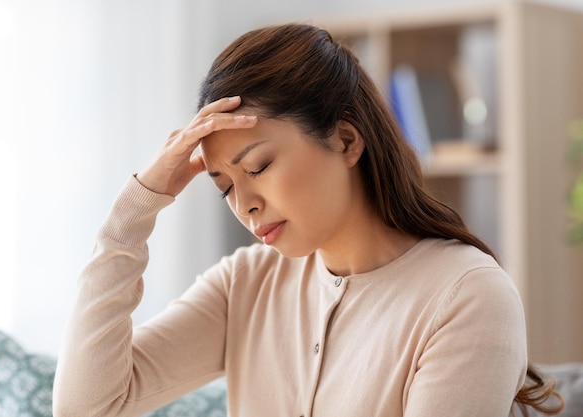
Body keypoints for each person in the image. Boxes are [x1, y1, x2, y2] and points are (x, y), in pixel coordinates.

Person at [52, 23, 563, 417]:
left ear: (345, 140)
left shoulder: (466, 295)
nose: (243, 204)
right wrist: (134, 210)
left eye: (258, 166)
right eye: (225, 186)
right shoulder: (245, 284)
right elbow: (89, 405)